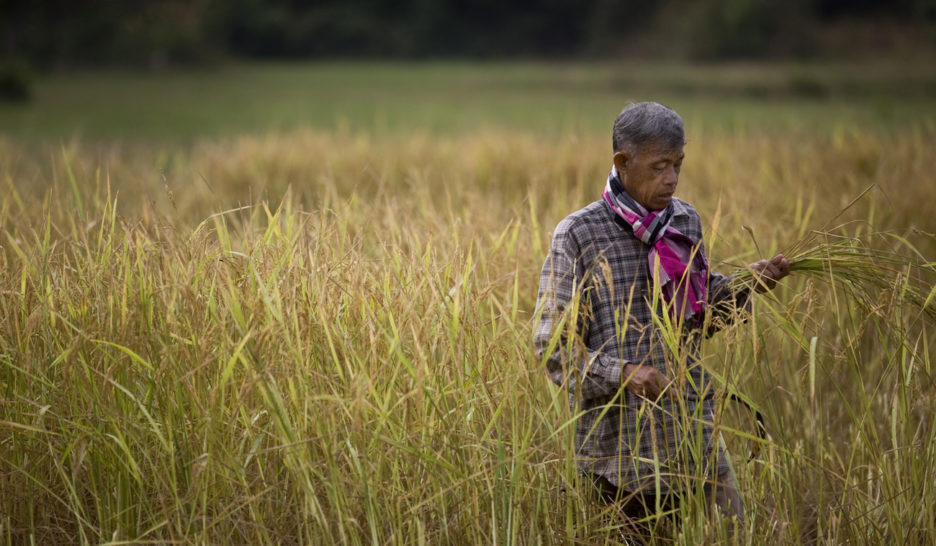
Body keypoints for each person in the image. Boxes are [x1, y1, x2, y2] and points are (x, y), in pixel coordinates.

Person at [533, 102, 789, 530]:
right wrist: (627, 373)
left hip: (695, 441)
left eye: (678, 165)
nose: (671, 178)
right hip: (619, 460)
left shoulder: (684, 222)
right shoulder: (578, 234)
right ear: (623, 162)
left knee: (738, 534)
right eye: (659, 166)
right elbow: (552, 348)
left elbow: (700, 318)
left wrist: (745, 288)